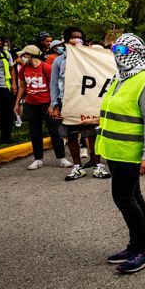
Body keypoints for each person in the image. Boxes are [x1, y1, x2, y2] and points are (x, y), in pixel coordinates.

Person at [96, 34, 145, 274]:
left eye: (123, 50)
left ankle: (143, 251)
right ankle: (135, 245)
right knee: (133, 195)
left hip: (130, 152)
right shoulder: (120, 78)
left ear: (136, 52)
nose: (118, 55)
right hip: (114, 150)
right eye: (115, 50)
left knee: (123, 198)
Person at [50, 27, 110, 180]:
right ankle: (77, 167)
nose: (76, 40)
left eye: (79, 37)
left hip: (88, 101)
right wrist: (54, 104)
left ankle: (97, 165)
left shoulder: (90, 57)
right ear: (65, 40)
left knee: (92, 134)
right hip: (67, 102)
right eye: (73, 37)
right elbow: (54, 84)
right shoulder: (58, 61)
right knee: (71, 135)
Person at [13, 45, 68, 170]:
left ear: (30, 55)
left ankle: (62, 158)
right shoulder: (24, 68)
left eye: (24, 55)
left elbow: (53, 86)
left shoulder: (46, 67)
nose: (22, 57)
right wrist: (17, 103)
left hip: (46, 103)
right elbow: (22, 86)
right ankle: (38, 159)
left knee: (54, 131)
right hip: (31, 104)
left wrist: (52, 105)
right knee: (35, 132)